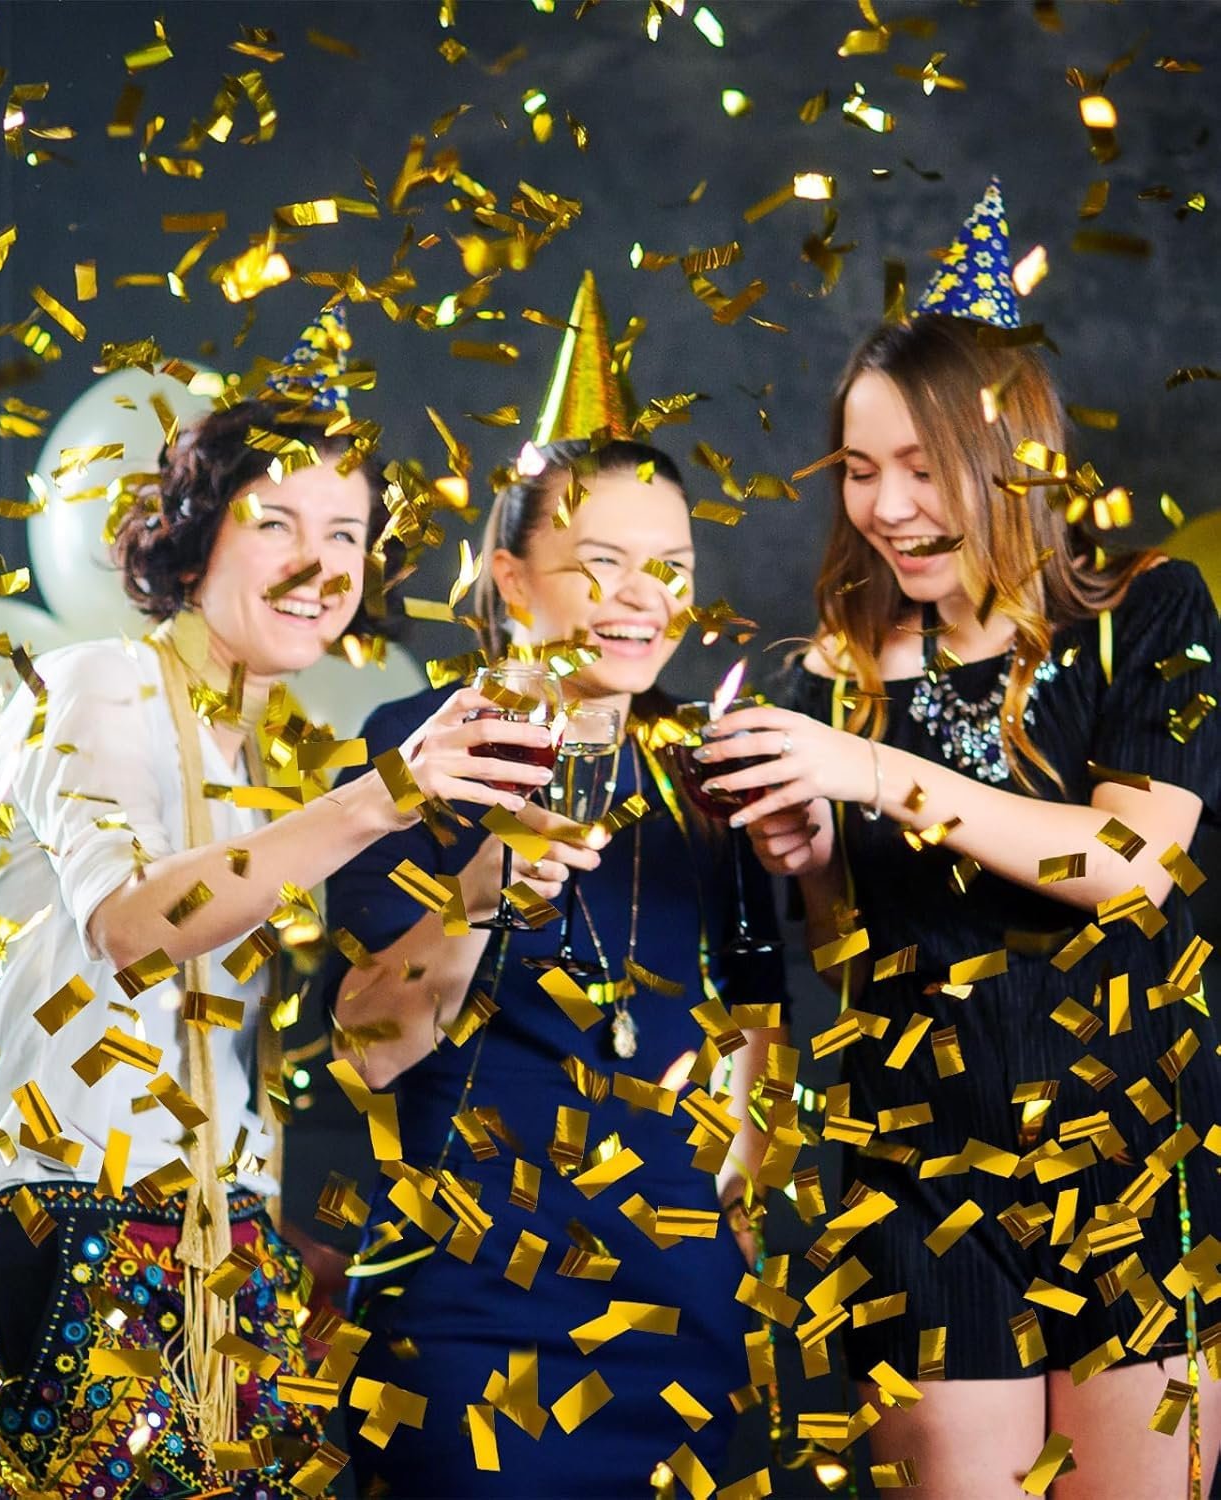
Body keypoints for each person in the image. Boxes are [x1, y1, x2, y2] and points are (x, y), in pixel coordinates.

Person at [0, 311, 558, 1500]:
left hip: (236, 1260)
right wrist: (387, 794)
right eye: (276, 523)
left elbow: (287, 1043)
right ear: (193, 540)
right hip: (74, 1234)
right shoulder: (96, 683)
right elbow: (130, 927)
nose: (318, 564)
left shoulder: (272, 759)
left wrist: (270, 1236)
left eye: (346, 533)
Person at [703, 184, 1221, 1497]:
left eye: (923, 467)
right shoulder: (832, 677)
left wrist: (872, 774)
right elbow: (845, 955)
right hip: (918, 1182)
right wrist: (807, 856)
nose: (886, 506)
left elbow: (1128, 864)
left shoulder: (1152, 614)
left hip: (1129, 1163)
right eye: (860, 468)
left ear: (1013, 456)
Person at [321, 273, 789, 1497]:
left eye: (672, 566)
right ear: (512, 577)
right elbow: (370, 1045)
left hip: (677, 1310)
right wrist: (488, 878)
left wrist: (736, 1199)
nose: (646, 599)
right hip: (471, 1309)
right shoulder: (420, 748)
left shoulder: (707, 770)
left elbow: (759, 1009)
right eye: (602, 563)